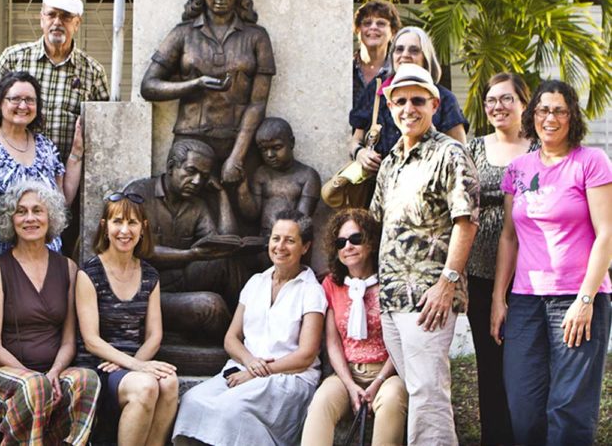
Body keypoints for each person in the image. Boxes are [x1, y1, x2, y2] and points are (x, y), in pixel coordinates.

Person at [491, 79, 611, 445]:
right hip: (526, 300)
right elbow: (509, 237)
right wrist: (499, 298)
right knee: (523, 408)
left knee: (568, 410)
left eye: (559, 110)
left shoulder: (591, 162)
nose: (551, 118)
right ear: (532, 115)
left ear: (571, 115)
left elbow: (606, 233)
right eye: (543, 110)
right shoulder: (519, 169)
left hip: (578, 299)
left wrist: (586, 300)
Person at [369, 63, 479, 445]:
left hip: (429, 299)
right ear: (389, 107)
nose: (408, 108)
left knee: (428, 395)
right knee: (419, 390)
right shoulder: (390, 163)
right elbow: (377, 223)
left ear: (434, 104)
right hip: (392, 299)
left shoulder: (450, 153)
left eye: (418, 100)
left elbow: (466, 221)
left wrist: (447, 283)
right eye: (400, 101)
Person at [172, 210, 327, 446]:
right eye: (276, 238)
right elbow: (231, 338)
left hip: (287, 379)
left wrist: (257, 373)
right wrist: (249, 362)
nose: (280, 246)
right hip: (244, 368)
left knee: (230, 409)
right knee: (192, 400)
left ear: (305, 247)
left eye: (290, 240)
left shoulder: (311, 291)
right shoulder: (256, 283)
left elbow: (305, 356)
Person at [0, 180, 100, 445]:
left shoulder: (67, 267)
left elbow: (68, 340)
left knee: (86, 379)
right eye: (21, 211)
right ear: (11, 219)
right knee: (34, 388)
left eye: (37, 210)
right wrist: (34, 377)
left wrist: (54, 373)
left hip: (50, 371)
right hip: (3, 372)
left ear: (50, 217)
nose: (29, 218)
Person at [140, 0, 275, 184]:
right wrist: (195, 84)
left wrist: (237, 156)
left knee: (242, 215)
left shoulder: (257, 37)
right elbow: (148, 86)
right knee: (187, 215)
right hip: (191, 143)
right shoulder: (182, 34)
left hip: (239, 141)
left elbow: (257, 104)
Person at [76, 192, 179, 446]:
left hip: (133, 363)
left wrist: (136, 363)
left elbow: (155, 335)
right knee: (146, 386)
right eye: (117, 221)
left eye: (132, 223)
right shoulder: (89, 273)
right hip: (99, 367)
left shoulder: (149, 275)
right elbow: (91, 340)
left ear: (143, 228)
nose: (125, 230)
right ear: (105, 226)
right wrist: (134, 366)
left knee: (169, 382)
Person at [465, 73, 533, 445]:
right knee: (489, 363)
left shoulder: (540, 146)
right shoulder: (473, 148)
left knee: (524, 364)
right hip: (480, 269)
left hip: (529, 269)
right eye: (491, 100)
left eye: (506, 99)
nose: (497, 107)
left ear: (523, 103)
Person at [301, 208, 407, 446]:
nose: (348, 246)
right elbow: (332, 341)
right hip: (347, 372)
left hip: (387, 372)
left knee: (391, 400)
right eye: (341, 242)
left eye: (356, 239)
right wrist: (350, 386)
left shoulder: (390, 282)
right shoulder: (332, 284)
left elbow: (400, 341)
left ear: (370, 242)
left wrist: (378, 382)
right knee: (321, 403)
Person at [123, 138, 245, 340]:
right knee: (211, 306)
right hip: (146, 291)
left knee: (227, 261)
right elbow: (135, 249)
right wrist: (190, 255)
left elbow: (223, 244)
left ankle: (252, 328)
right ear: (171, 167)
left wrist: (222, 195)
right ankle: (234, 340)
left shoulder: (197, 204)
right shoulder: (139, 194)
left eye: (204, 176)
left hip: (179, 280)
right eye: (191, 171)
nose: (197, 181)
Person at [0, 0, 109, 162]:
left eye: (66, 17)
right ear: (42, 19)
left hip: (67, 175)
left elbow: (105, 127)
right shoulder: (14, 58)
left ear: (77, 23)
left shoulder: (93, 72)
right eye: (51, 15)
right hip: (11, 169)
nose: (57, 22)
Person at [0, 70, 83, 254]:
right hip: (2, 259)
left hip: (48, 255)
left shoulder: (45, 146)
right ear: (0, 102)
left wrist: (77, 151)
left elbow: (62, 201)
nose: (23, 105)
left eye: (30, 100)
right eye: (15, 99)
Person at [350, 26, 467, 174]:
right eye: (399, 49)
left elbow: (460, 155)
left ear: (426, 57)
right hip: (380, 186)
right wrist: (360, 153)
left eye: (414, 50)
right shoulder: (376, 91)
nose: (405, 55)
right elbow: (355, 140)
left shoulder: (444, 98)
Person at [235, 117, 321, 236]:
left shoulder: (308, 176)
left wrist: (281, 238)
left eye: (276, 147)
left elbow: (302, 220)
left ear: (291, 142)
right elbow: (252, 214)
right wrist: (243, 188)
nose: (270, 155)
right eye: (264, 149)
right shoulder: (262, 174)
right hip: (264, 237)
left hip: (294, 239)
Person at [352, 0, 402, 110]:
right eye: (367, 23)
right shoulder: (344, 71)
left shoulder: (399, 73)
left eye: (381, 23)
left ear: (393, 32)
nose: (373, 27)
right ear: (358, 30)